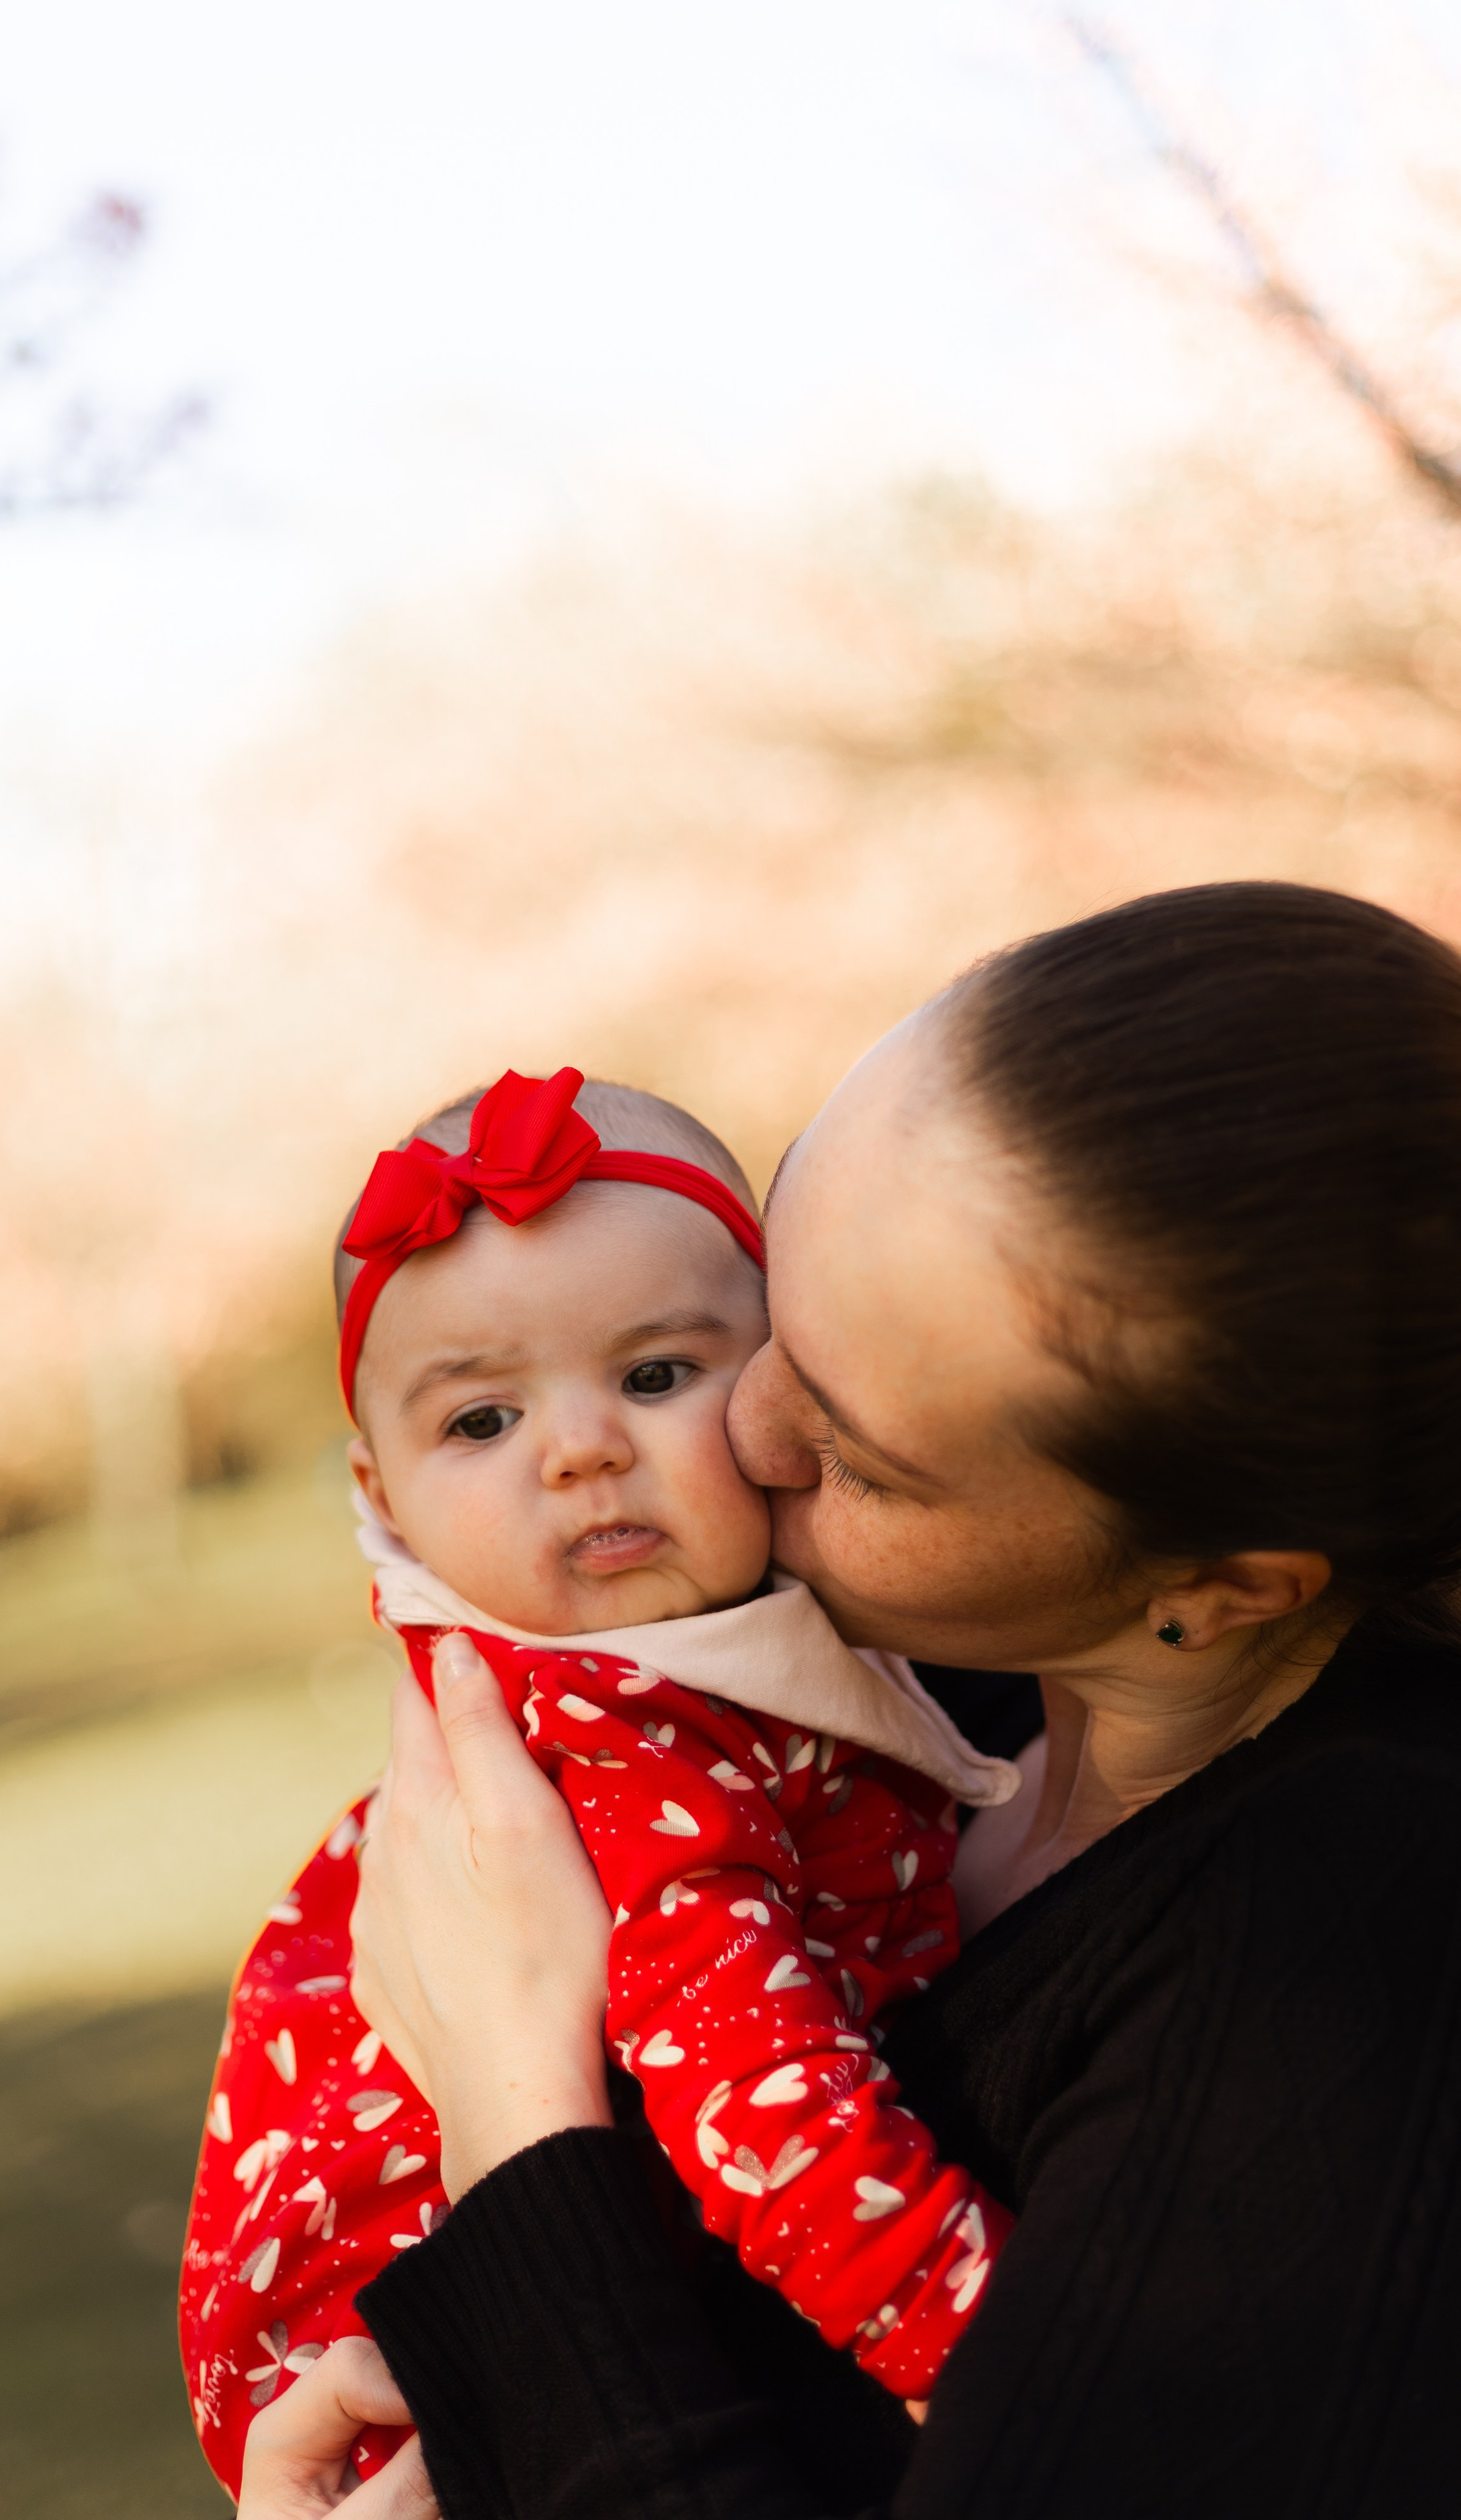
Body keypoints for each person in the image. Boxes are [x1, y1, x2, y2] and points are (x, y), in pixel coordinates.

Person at [247, 881, 1461, 2519]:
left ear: (1226, 1583)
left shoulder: (1336, 2007)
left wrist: (513, 2107)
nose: (735, 1435)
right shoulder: (877, 1682)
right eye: (778, 1315)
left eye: (852, 1450)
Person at [181, 1068, 1022, 2495]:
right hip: (422, 2364)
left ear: (784, 1383)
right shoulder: (607, 1743)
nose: (581, 1450)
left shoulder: (723, 1670)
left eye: (651, 1376)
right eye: (479, 1423)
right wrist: (1003, 2359)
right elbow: (770, 2117)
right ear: (379, 1499)